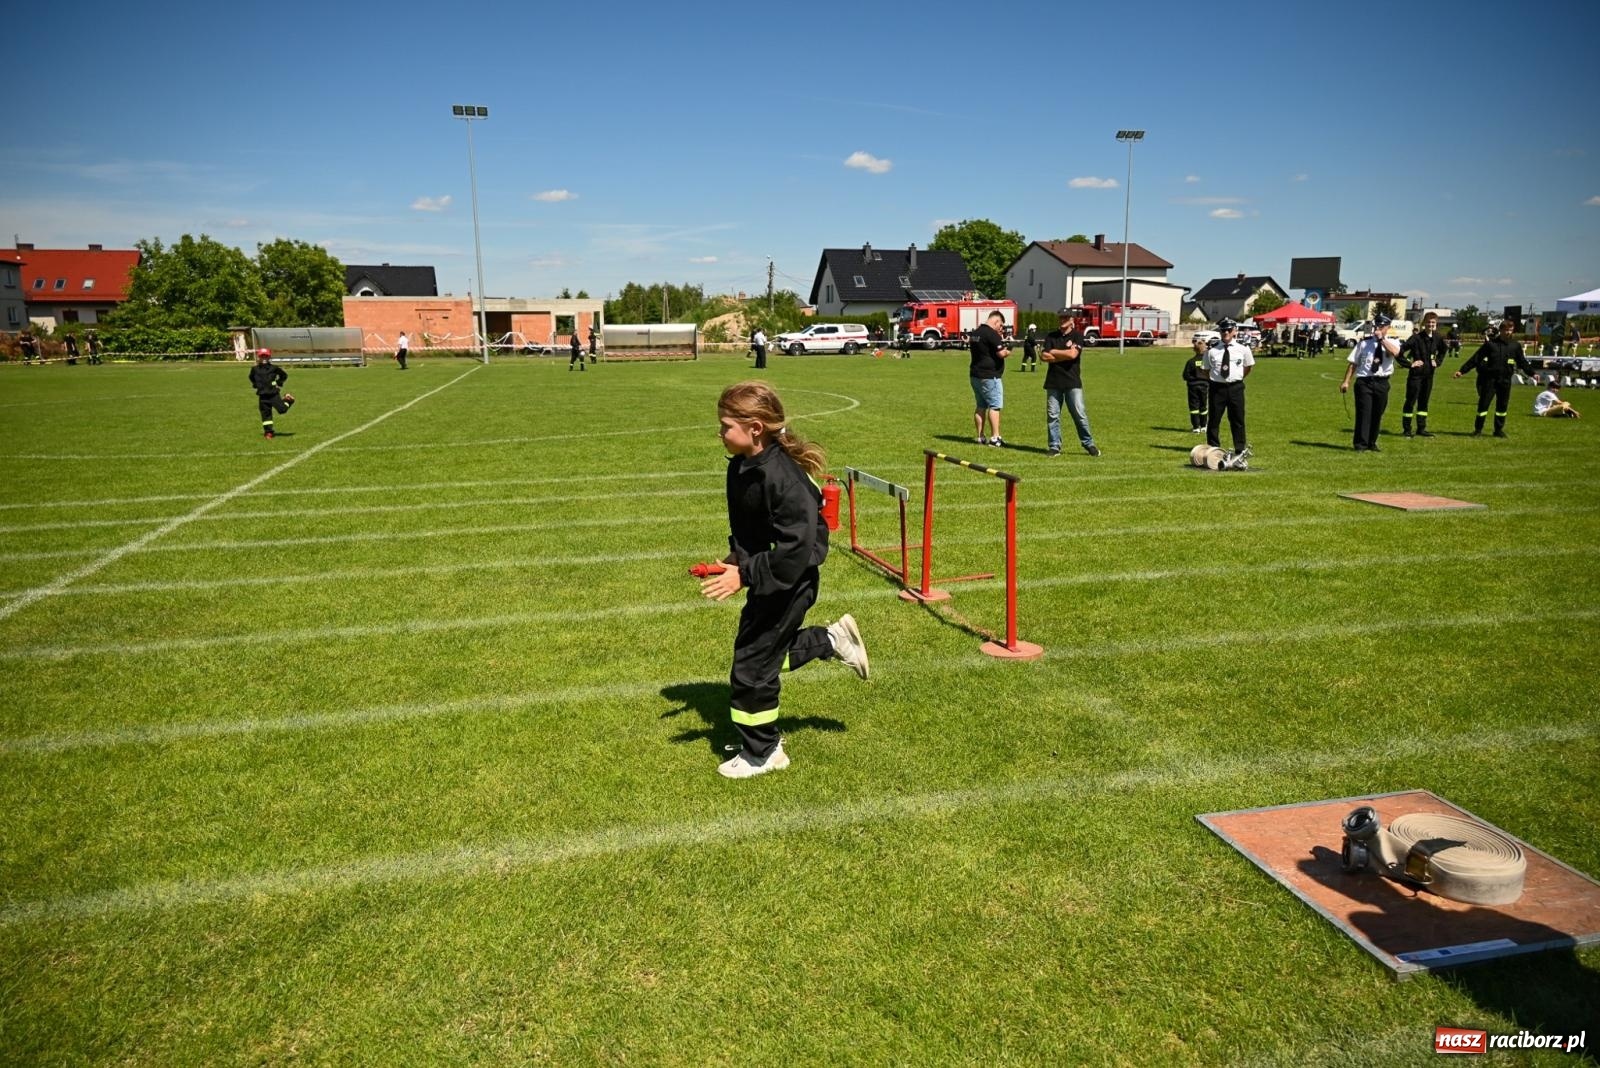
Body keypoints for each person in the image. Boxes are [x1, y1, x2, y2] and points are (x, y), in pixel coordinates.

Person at [700, 381, 869, 779]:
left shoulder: (785, 479)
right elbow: (754, 529)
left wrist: (744, 574)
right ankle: (831, 640)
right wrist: (735, 558)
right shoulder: (742, 466)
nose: (720, 433)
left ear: (755, 428)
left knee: (752, 665)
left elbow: (796, 552)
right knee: (760, 655)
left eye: (726, 425)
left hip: (791, 580)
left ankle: (764, 752)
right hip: (770, 574)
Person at [1455, 318, 1535, 437]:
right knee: (1483, 405)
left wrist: (1532, 373)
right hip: (1490, 380)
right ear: (1501, 330)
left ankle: (1498, 430)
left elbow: (1522, 362)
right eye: (1506, 330)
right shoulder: (1491, 345)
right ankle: (1478, 430)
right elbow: (1476, 358)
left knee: (1502, 406)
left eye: (1510, 330)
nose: (1508, 332)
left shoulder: (1515, 346)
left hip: (1505, 381)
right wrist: (1462, 370)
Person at [1041, 309, 1099, 457]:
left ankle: (1089, 444)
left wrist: (1054, 352)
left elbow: (1073, 354)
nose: (1062, 320)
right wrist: (1064, 354)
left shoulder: (1078, 336)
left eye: (1066, 318)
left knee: (1079, 414)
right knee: (1053, 416)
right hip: (1053, 382)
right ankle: (1054, 446)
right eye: (1060, 317)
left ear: (1072, 320)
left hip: (1072, 382)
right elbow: (1043, 356)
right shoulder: (1051, 336)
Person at [1339, 314, 1399, 451]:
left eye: (1381, 326)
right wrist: (1346, 382)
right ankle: (1360, 444)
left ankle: (1372, 442)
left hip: (1382, 382)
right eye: (1376, 325)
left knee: (1377, 414)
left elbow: (1395, 353)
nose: (1377, 328)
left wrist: (1382, 340)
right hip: (1364, 382)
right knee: (1364, 413)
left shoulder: (1392, 342)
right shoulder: (1364, 343)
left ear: (1388, 328)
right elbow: (1353, 363)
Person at [1204, 318, 1253, 453]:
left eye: (1229, 330)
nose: (1225, 332)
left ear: (1235, 331)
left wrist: (1237, 378)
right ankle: (1213, 448)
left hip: (1235, 388)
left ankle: (1240, 449)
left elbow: (1248, 367)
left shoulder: (1243, 349)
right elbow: (1206, 370)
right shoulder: (1212, 350)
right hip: (1217, 388)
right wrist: (1217, 380)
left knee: (1237, 419)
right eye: (1223, 330)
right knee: (1214, 420)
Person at [1397, 312, 1447, 437]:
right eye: (1428, 322)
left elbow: (1443, 350)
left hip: (1429, 376)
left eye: (1433, 323)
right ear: (1424, 323)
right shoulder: (1416, 338)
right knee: (1410, 401)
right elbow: (1400, 352)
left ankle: (1421, 428)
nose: (1430, 325)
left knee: (1424, 402)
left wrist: (1438, 361)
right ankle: (1407, 430)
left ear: (1436, 324)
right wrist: (1409, 364)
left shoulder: (1437, 337)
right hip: (1415, 376)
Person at [968, 310, 1010, 446]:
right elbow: (1001, 353)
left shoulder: (975, 332)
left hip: (975, 374)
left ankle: (980, 436)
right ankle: (995, 438)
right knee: (995, 405)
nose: (1001, 328)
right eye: (1001, 325)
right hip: (990, 375)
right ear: (996, 321)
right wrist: (1009, 349)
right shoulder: (991, 334)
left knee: (980, 405)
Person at [248, 348, 295, 439]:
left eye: (266, 356)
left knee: (282, 410)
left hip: (273, 394)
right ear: (259, 357)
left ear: (269, 357)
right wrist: (255, 385)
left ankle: (288, 400)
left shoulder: (274, 368)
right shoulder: (254, 369)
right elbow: (251, 377)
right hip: (262, 396)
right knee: (266, 415)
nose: (264, 358)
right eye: (262, 356)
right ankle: (268, 432)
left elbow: (284, 375)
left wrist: (278, 383)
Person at [1183, 336, 1210, 433]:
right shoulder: (1207, 361)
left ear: (1194, 350)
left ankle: (1195, 427)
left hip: (1193, 386)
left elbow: (1185, 375)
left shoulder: (1190, 362)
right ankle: (1204, 426)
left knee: (1194, 407)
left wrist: (1192, 379)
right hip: (1204, 385)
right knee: (1204, 406)